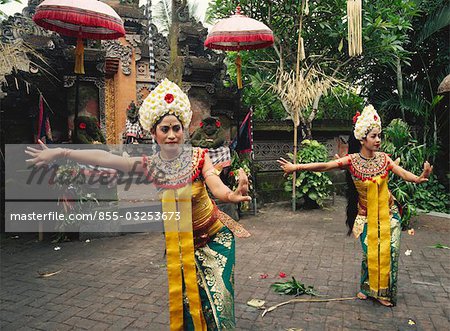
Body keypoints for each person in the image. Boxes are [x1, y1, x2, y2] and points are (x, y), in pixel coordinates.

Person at [26, 79, 251, 330]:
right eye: (164, 129)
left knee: (219, 303)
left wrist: (232, 195)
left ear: (184, 130)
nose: (171, 135)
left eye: (176, 128)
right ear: (154, 134)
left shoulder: (199, 157)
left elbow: (215, 185)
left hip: (215, 238)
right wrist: (60, 153)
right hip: (182, 247)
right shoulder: (151, 166)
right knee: (191, 303)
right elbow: (105, 158)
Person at [278, 105, 432, 307]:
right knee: (370, 254)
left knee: (389, 252)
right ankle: (368, 288)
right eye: (374, 136)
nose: (378, 140)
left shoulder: (384, 159)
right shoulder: (351, 161)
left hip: (389, 214)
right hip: (366, 216)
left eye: (379, 136)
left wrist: (419, 178)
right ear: (362, 139)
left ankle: (384, 293)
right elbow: (324, 166)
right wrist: (296, 167)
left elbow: (402, 173)